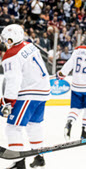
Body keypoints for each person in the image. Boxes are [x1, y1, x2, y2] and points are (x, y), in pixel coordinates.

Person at [0, 24, 50, 169]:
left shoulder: (11, 55)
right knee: (34, 125)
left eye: (5, 39)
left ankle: (19, 162)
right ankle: (39, 156)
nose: (4, 42)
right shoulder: (29, 45)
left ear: (10, 39)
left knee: (13, 128)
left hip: (29, 92)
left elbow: (13, 80)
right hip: (42, 90)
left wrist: (8, 102)